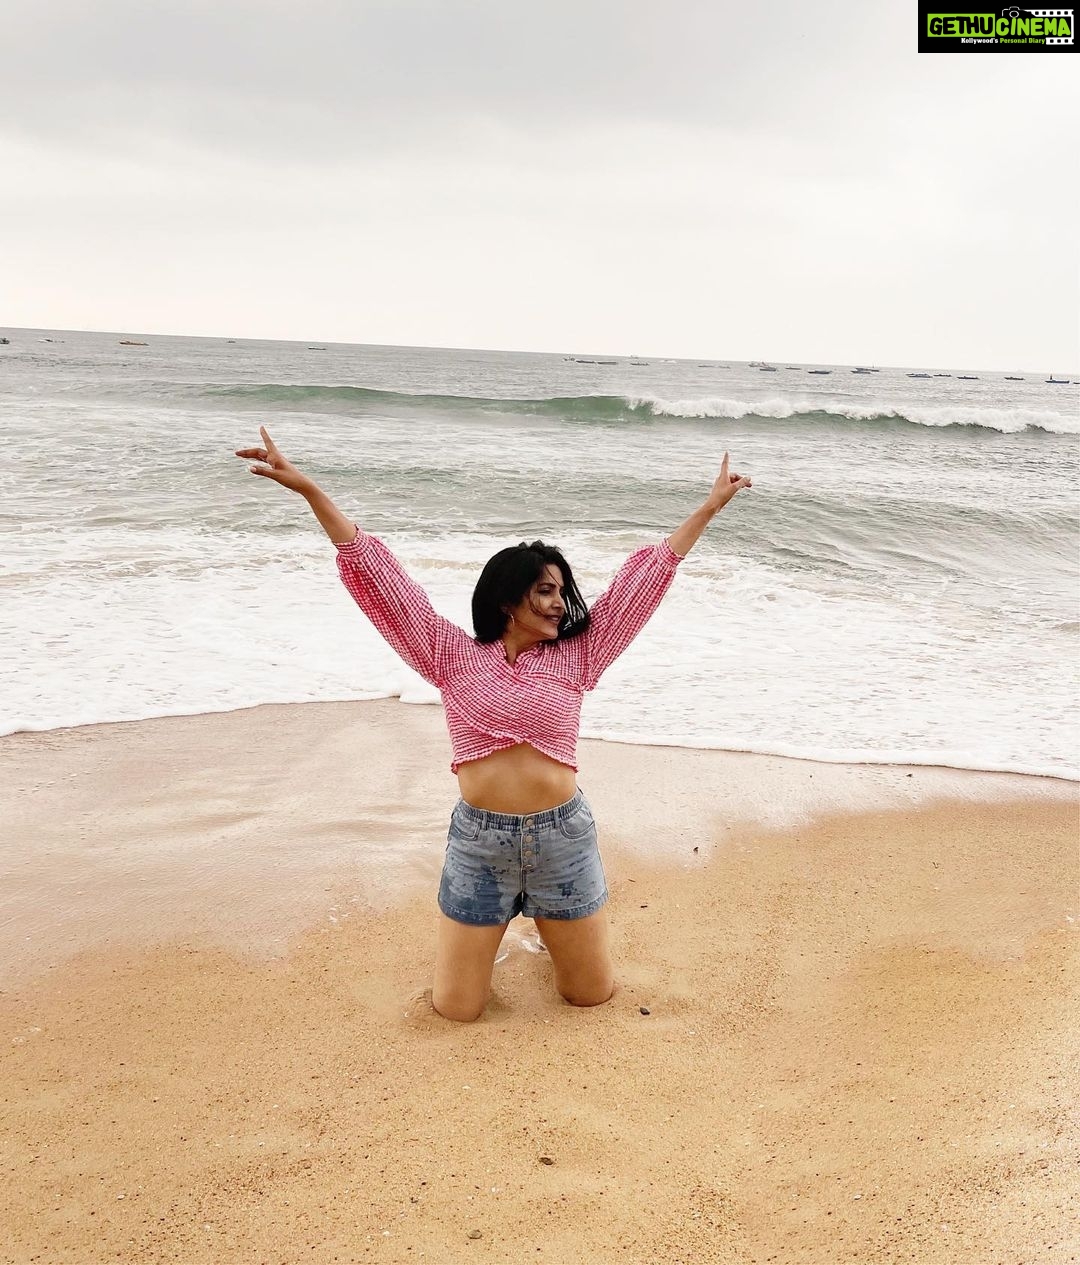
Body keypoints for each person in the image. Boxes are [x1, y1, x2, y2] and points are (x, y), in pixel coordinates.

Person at [235, 425, 752, 1021]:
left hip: (563, 840)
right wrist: (310, 491)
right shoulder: (450, 655)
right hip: (480, 845)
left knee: (588, 997)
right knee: (456, 1009)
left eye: (563, 591)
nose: (562, 602)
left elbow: (645, 581)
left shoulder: (579, 655)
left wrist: (708, 508)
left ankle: (539, 937)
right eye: (545, 590)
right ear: (508, 601)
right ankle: (506, 931)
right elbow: (381, 582)